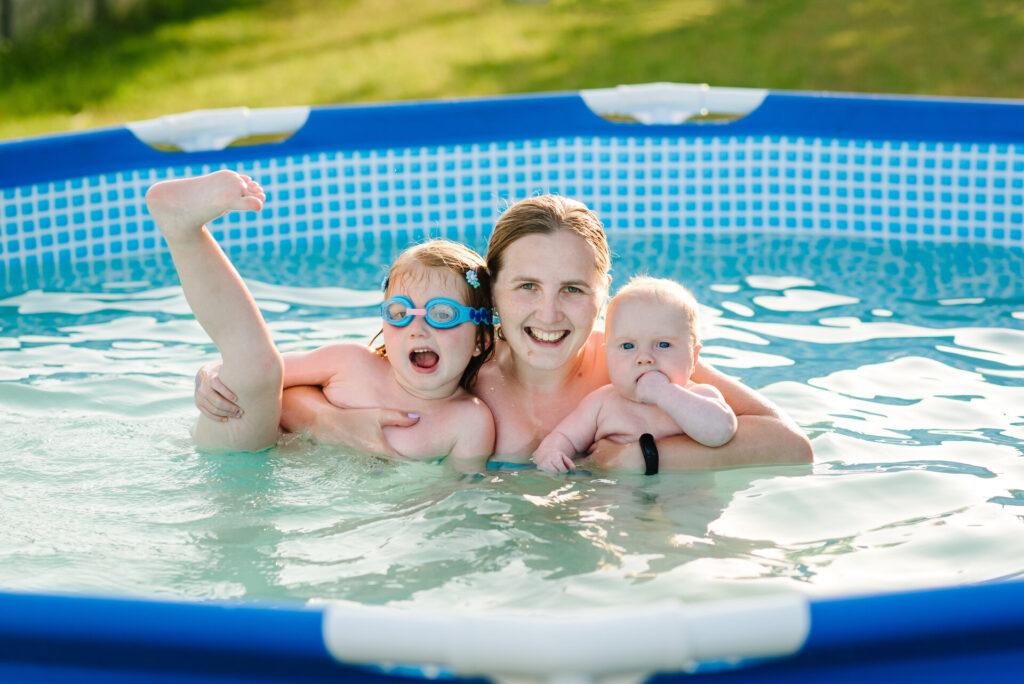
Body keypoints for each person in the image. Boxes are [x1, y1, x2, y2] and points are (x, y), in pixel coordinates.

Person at [197, 194, 813, 471]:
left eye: (573, 290)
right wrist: (330, 424)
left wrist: (643, 460)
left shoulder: (632, 367)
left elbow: (789, 444)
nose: (549, 314)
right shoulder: (457, 365)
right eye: (527, 288)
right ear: (491, 297)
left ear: (603, 301)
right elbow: (316, 381)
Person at [146, 170, 495, 472]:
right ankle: (185, 231)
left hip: (285, 497)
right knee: (257, 367)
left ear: (480, 339)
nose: (417, 328)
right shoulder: (351, 362)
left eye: (442, 315)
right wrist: (212, 373)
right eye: (400, 314)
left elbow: (456, 498)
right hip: (237, 449)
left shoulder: (469, 420)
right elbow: (244, 376)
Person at [532, 276, 737, 473]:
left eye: (663, 344)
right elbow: (564, 437)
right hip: (618, 498)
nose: (644, 358)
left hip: (685, 499)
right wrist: (551, 454)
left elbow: (720, 432)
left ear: (693, 356)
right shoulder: (601, 403)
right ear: (607, 356)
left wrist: (665, 393)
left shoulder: (702, 396)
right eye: (628, 346)